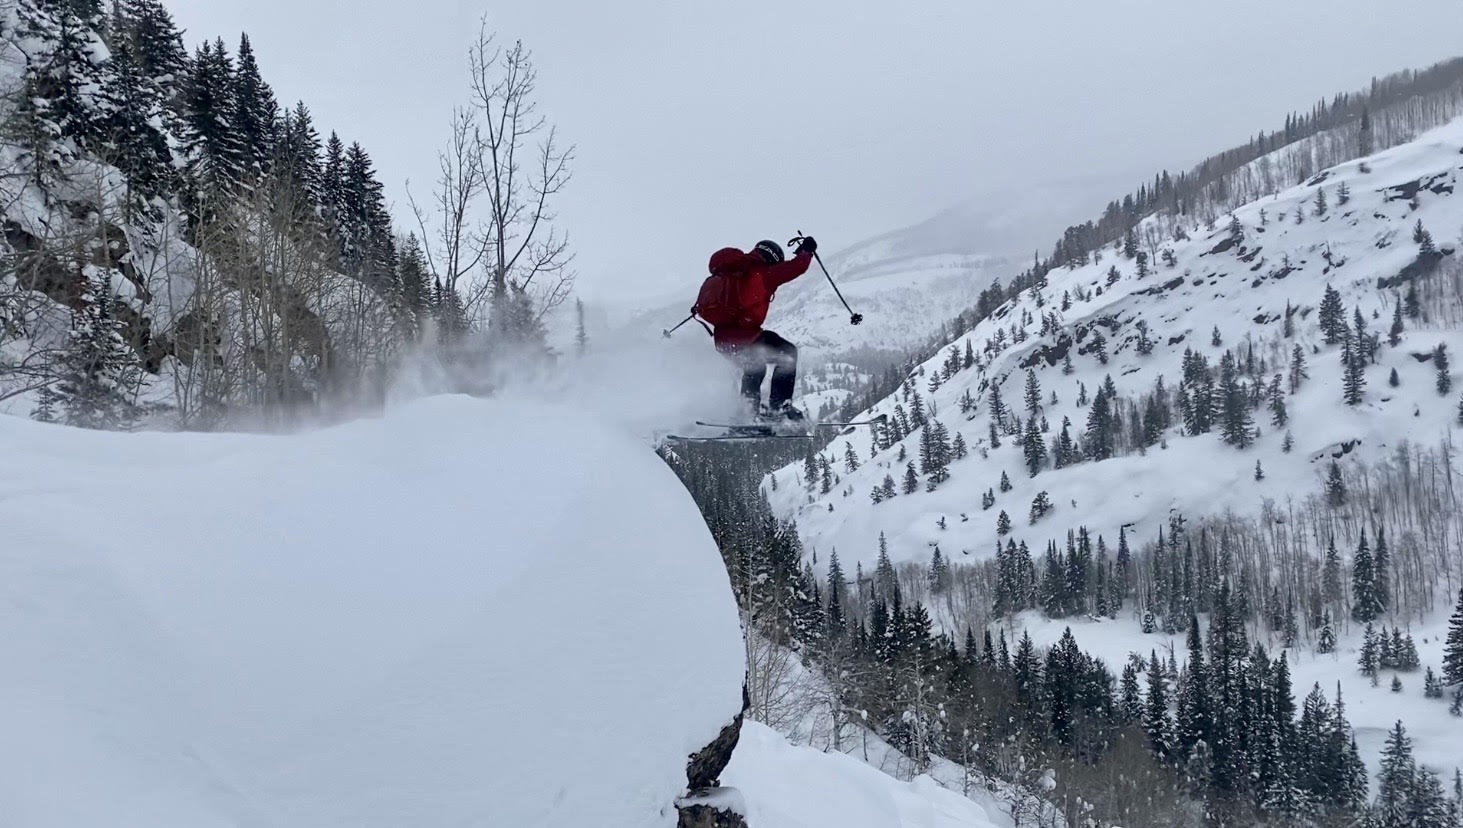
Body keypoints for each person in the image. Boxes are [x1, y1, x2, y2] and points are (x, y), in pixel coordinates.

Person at [700, 236, 818, 421]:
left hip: (723, 341)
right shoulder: (762, 274)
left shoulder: (733, 274)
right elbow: (796, 268)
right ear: (772, 258)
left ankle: (747, 416)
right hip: (746, 338)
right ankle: (779, 407)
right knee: (787, 354)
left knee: (754, 368)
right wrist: (806, 251)